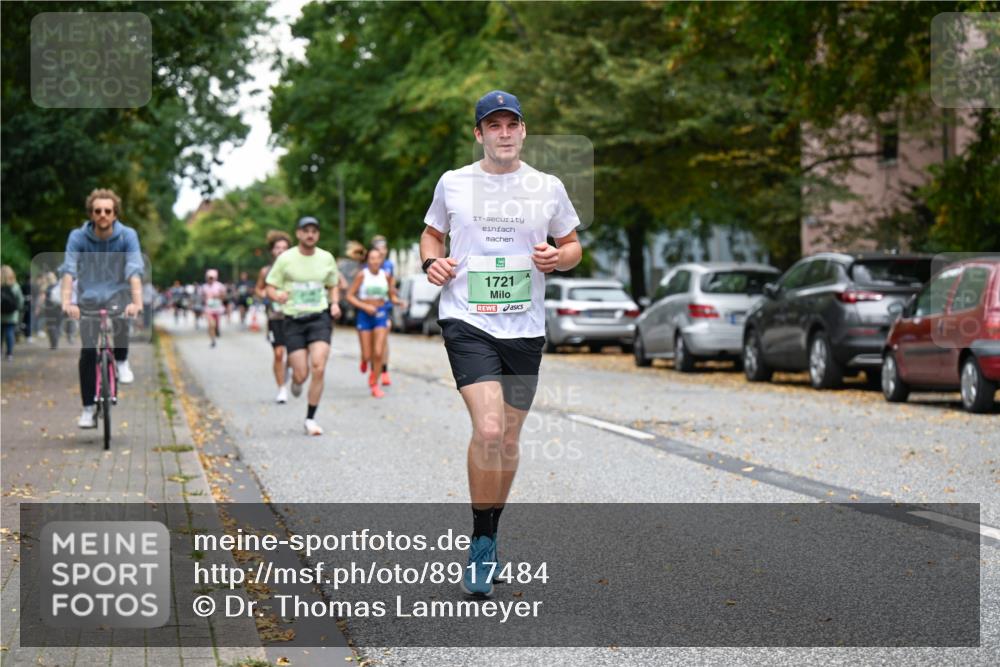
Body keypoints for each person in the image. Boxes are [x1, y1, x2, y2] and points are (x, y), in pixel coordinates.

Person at [421, 90, 582, 596]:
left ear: (524, 130)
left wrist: (559, 258)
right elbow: (431, 235)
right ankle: (480, 543)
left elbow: (572, 245)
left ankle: (489, 535)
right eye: (494, 125)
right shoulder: (453, 182)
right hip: (467, 320)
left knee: (508, 440)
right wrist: (432, 262)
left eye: (512, 124)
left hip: (525, 328)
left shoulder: (547, 186)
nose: (504, 133)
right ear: (479, 134)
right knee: (489, 428)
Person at [60, 188, 144, 428]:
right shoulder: (78, 237)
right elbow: (69, 270)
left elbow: (134, 269)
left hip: (118, 293)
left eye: (108, 211)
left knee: (122, 315)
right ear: (91, 214)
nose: (103, 215)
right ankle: (88, 409)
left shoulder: (128, 235)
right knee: (88, 352)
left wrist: (137, 303)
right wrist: (67, 302)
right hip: (89, 297)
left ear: (115, 214)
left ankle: (122, 360)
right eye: (98, 211)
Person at [265, 216, 341, 436]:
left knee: (319, 366)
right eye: (306, 231)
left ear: (318, 235)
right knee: (301, 375)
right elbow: (270, 286)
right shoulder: (285, 259)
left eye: (314, 231)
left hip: (319, 318)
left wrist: (335, 303)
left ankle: (310, 418)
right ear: (298, 233)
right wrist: (277, 295)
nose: (310, 234)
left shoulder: (326, 258)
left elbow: (333, 284)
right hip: (293, 320)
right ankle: (296, 380)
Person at [346, 247, 406, 398]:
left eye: (377, 258)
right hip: (364, 315)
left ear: (381, 260)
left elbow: (391, 296)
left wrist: (399, 302)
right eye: (372, 258)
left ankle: (374, 383)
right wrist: (365, 306)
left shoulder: (386, 276)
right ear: (368, 260)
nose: (375, 261)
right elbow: (349, 296)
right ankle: (364, 359)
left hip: (380, 314)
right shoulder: (362, 275)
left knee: (378, 353)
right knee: (368, 355)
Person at [255, 230, 293, 403]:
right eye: (278, 247)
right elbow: (258, 289)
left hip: (293, 316)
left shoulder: (295, 270)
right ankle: (282, 389)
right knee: (278, 354)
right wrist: (265, 294)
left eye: (284, 248)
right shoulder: (266, 271)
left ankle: (290, 368)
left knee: (293, 354)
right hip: (275, 317)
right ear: (272, 250)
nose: (281, 251)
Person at [371, 235, 396, 385]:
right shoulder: (369, 264)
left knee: (383, 338)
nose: (382, 251)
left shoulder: (389, 265)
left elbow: (391, 285)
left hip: (385, 307)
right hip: (370, 308)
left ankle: (384, 371)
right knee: (373, 341)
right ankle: (372, 366)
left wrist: (394, 296)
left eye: (384, 248)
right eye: (379, 248)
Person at [1, 265, 25, 361]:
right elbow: (20, 300)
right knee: (9, 332)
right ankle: (9, 353)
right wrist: (18, 309)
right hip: (12, 314)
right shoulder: (15, 286)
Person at [201, 269, 227, 348]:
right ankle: (213, 340)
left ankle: (217, 330)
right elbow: (202, 297)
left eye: (212, 278)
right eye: (209, 278)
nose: (210, 279)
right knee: (211, 325)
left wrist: (218, 296)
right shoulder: (204, 287)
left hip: (217, 308)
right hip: (209, 308)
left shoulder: (219, 286)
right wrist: (206, 299)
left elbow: (224, 296)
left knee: (216, 325)